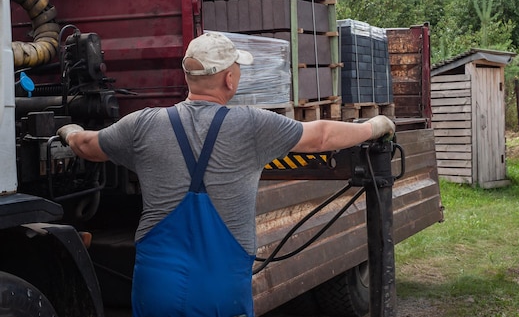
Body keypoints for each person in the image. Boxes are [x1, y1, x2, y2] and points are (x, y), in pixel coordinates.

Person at [57, 31, 396, 317]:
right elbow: (320, 136)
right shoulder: (251, 124)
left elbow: (88, 146)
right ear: (229, 79)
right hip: (221, 292)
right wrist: (373, 125)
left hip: (155, 288)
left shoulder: (143, 124)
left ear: (187, 75)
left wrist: (68, 131)